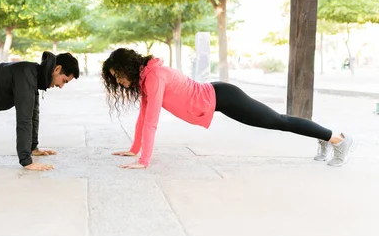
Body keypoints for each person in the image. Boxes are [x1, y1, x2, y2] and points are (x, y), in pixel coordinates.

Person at [101, 48, 354, 169]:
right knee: (278, 120)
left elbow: (152, 122)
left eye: (118, 75)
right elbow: (144, 116)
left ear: (128, 67)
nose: (119, 81)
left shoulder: (154, 77)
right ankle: (324, 138)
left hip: (223, 97)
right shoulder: (147, 78)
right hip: (218, 96)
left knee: (277, 120)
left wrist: (144, 160)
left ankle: (337, 139)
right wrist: (134, 150)